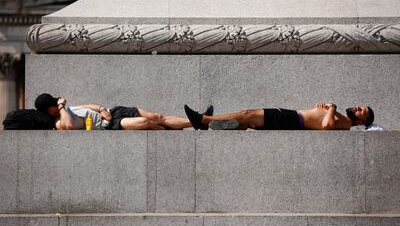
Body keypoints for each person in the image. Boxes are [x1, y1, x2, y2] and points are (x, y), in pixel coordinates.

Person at [34, 93, 212, 130]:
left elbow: (92, 107)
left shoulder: (69, 109)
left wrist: (102, 109)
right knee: (145, 123)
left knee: (156, 116)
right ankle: (198, 121)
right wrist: (61, 106)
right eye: (54, 103)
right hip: (110, 126)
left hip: (113, 112)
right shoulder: (59, 122)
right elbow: (71, 125)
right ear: (50, 109)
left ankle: (197, 121)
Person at [184, 103, 374, 130]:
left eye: (362, 111)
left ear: (362, 121)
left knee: (248, 115)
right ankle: (212, 121)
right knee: (247, 118)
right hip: (293, 116)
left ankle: (204, 120)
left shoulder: (347, 126)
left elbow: (326, 126)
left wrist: (331, 108)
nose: (358, 108)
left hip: (293, 121)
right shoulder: (343, 119)